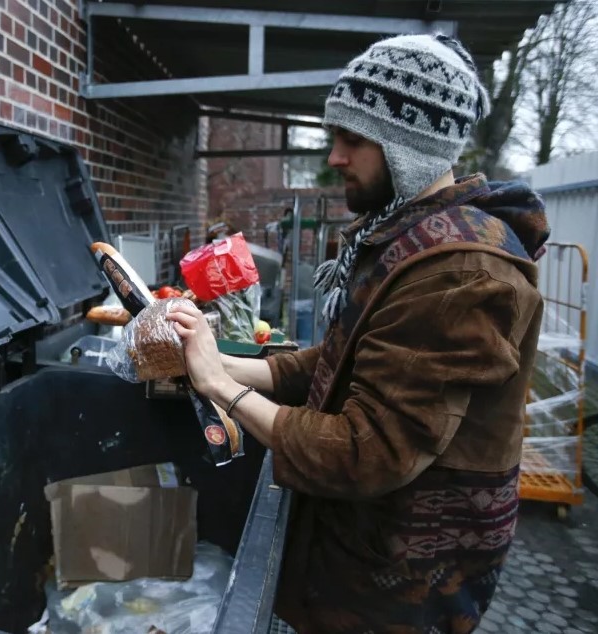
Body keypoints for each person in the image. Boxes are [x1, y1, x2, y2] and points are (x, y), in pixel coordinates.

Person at [168, 33, 549, 633]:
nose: (335, 158)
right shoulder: (408, 235)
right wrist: (227, 364)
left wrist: (226, 390)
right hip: (365, 548)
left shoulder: (459, 270)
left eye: (352, 140)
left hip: (402, 582)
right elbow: (347, 358)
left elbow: (365, 451)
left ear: (409, 147)